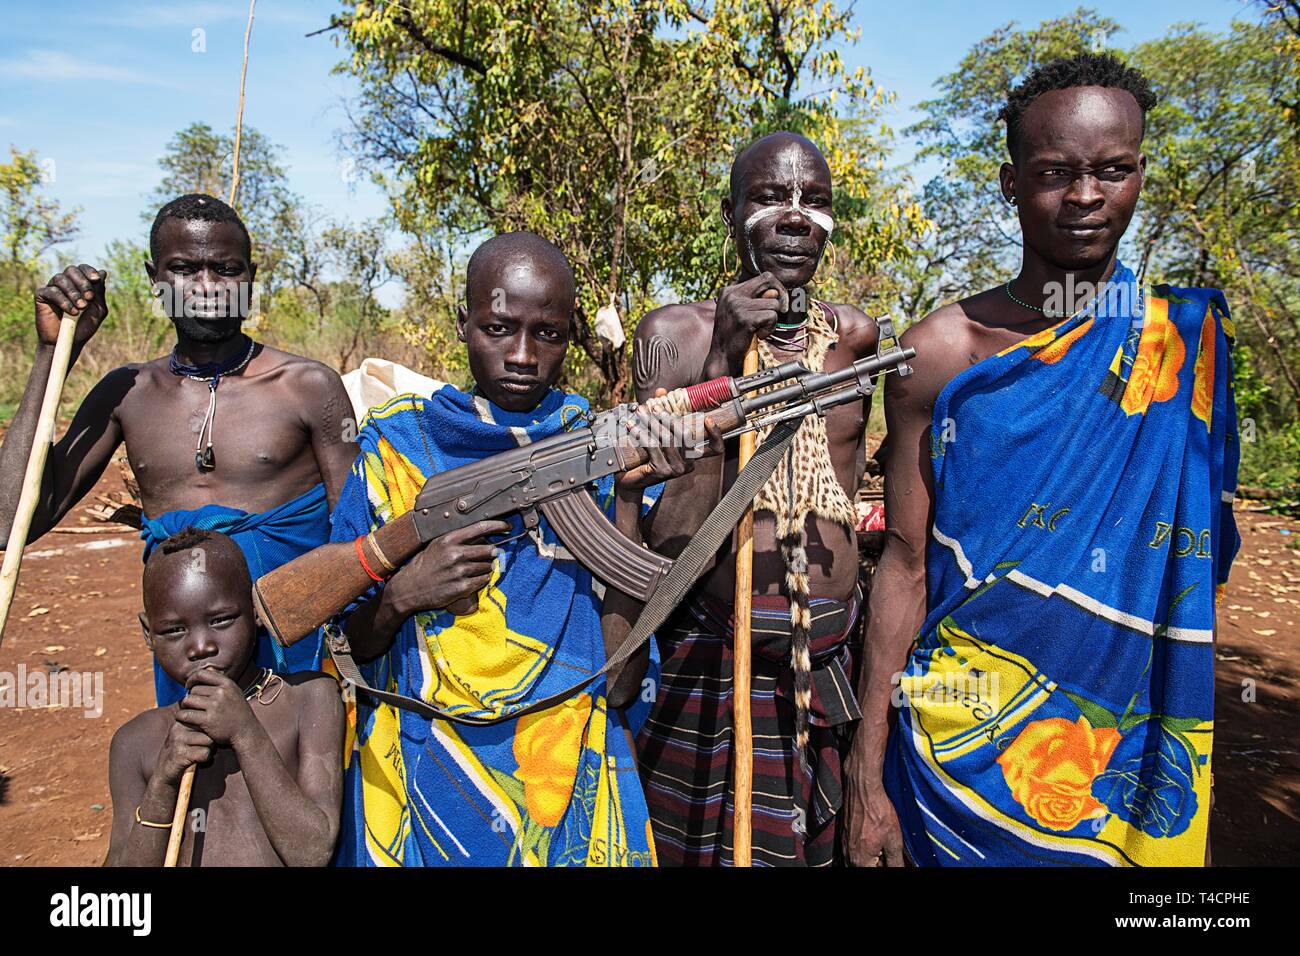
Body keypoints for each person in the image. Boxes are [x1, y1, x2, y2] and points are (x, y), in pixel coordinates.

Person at [845, 53, 1239, 867]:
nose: (1088, 197)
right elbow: (907, 565)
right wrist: (865, 773)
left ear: (1139, 172)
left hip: (1120, 752)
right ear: (1009, 182)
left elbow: (1204, 547)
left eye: (1115, 170)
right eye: (1056, 172)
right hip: (955, 743)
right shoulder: (941, 354)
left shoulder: (1187, 342)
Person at [327, 231, 712, 866]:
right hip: (428, 770)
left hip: (567, 776)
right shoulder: (396, 449)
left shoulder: (596, 442)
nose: (523, 356)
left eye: (549, 334)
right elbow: (348, 645)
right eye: (499, 328)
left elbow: (619, 681)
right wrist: (401, 596)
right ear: (463, 323)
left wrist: (624, 499)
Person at [631, 131, 882, 866]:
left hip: (819, 657)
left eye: (817, 202)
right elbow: (661, 522)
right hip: (707, 654)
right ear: (729, 210)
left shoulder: (856, 339)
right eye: (771, 197)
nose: (797, 218)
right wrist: (722, 366)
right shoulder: (671, 336)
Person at [0, 194, 357, 705]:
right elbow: (9, 521)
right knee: (197, 777)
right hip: (187, 666)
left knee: (301, 778)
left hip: (295, 664)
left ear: (251, 277)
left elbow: (356, 533)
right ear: (154, 278)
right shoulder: (127, 392)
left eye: (226, 269)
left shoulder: (308, 387)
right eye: (184, 270)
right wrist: (53, 352)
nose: (207, 288)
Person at [106, 528, 343, 866]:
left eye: (221, 620)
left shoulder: (309, 698)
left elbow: (312, 852)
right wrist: (163, 783)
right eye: (175, 630)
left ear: (256, 609)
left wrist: (245, 732)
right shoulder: (137, 742)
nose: (201, 646)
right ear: (148, 633)